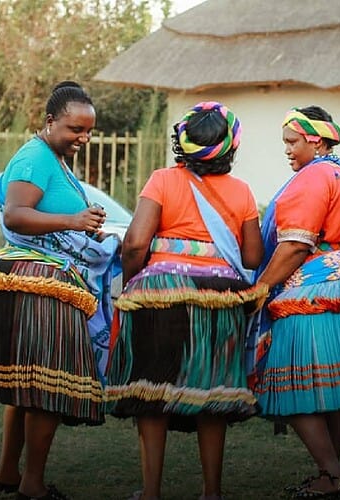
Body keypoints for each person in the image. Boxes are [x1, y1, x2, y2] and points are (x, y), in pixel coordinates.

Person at [0, 81, 120, 500]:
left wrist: (85, 226)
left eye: (89, 131)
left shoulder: (52, 158)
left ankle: (8, 473)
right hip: (39, 286)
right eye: (75, 129)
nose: (83, 138)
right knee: (48, 387)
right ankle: (32, 484)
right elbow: (15, 215)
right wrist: (73, 222)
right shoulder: (35, 157)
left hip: (41, 282)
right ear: (50, 122)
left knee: (28, 386)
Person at [105, 101, 266, 500]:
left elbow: (135, 243)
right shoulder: (242, 192)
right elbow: (252, 257)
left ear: (183, 142)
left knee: (153, 390)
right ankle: (212, 491)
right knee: (213, 393)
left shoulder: (162, 180)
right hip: (220, 301)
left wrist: (133, 285)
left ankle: (151, 492)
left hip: (160, 296)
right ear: (229, 147)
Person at [249, 105, 340, 498]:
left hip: (319, 291)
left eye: (292, 141)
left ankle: (331, 474)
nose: (287, 149)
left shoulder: (312, 177)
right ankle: (332, 470)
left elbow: (296, 244)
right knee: (332, 389)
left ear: (315, 141)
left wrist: (261, 287)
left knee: (286, 384)